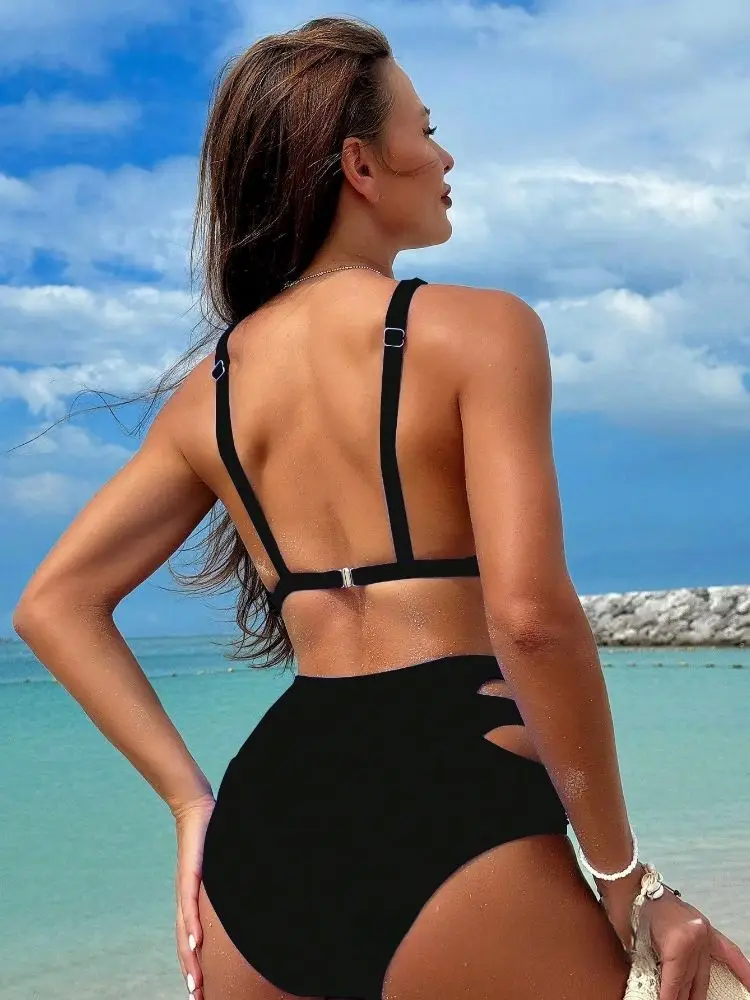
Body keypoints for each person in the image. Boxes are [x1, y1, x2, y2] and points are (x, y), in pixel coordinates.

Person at [12, 14, 750, 1000]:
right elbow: (532, 620)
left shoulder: (209, 396)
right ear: (360, 164)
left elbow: (52, 604)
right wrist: (626, 878)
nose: (446, 157)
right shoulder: (482, 331)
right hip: (460, 798)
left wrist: (191, 804)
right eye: (426, 129)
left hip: (265, 842)